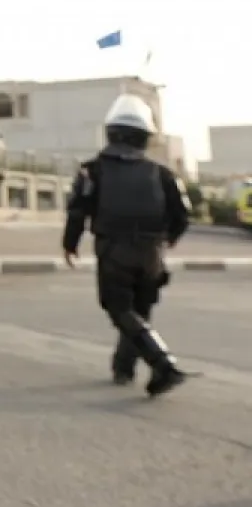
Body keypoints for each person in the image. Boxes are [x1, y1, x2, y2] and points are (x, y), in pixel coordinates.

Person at [62, 94, 191, 396]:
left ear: (111, 132)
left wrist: (70, 243)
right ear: (144, 138)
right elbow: (182, 215)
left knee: (119, 308)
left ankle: (163, 363)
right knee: (139, 311)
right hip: (152, 254)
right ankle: (123, 367)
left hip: (114, 250)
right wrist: (167, 239)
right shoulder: (162, 174)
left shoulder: (91, 170)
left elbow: (78, 209)